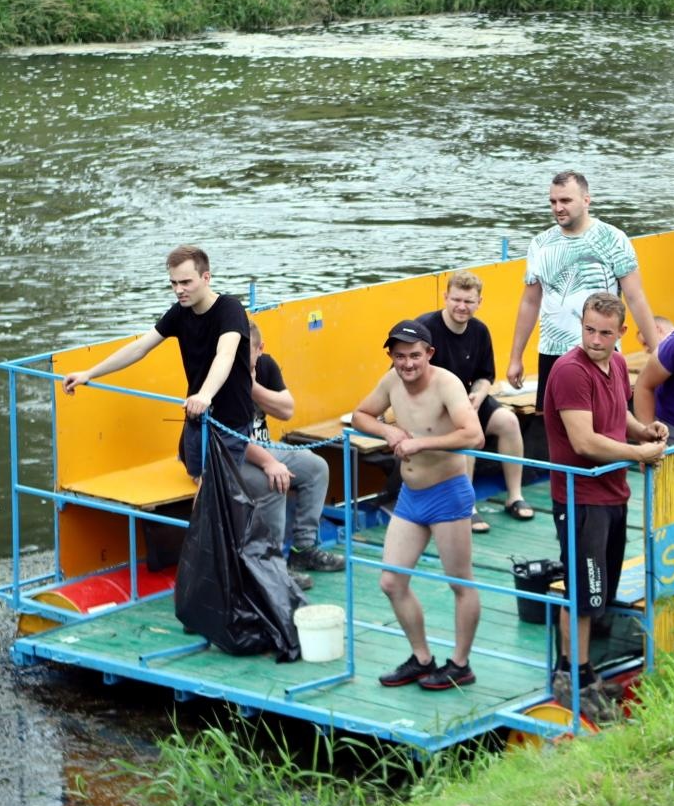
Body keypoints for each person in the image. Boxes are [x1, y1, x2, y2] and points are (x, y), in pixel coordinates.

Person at [61, 245, 293, 565]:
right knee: (203, 482)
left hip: (227, 424)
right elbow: (140, 347)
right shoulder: (179, 313)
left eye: (185, 282)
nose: (179, 290)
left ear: (205, 277)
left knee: (210, 497)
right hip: (196, 423)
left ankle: (212, 567)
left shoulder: (230, 310)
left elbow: (224, 356)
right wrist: (89, 372)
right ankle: (216, 558)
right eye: (173, 283)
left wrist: (206, 394)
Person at [542, 292, 668, 690]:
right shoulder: (569, 371)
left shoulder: (614, 362)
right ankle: (574, 675)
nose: (595, 340)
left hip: (613, 492)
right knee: (583, 591)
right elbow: (585, 442)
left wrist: (644, 430)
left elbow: (619, 415)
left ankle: (575, 668)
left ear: (622, 334)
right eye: (589, 330)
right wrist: (640, 453)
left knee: (598, 591)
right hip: (581, 497)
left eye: (605, 333)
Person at [352, 320, 486, 691]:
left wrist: (419, 445)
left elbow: (473, 435)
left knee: (460, 582)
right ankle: (421, 658)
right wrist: (388, 430)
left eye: (414, 356)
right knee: (392, 581)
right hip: (412, 497)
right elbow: (361, 414)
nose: (407, 364)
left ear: (429, 354)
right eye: (399, 357)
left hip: (448, 493)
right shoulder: (391, 380)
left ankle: (460, 664)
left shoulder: (447, 384)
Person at [505, 171, 661, 410]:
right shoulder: (540, 244)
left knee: (606, 423)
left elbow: (635, 297)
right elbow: (530, 302)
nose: (558, 208)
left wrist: (657, 354)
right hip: (553, 353)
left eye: (565, 200)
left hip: (601, 350)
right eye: (553, 201)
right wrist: (516, 358)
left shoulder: (613, 239)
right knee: (555, 430)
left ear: (586, 200)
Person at [416, 270, 534, 534]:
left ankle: (514, 495)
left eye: (469, 301)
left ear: (479, 302)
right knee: (468, 432)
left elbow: (484, 376)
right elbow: (405, 373)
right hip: (432, 405)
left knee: (508, 421)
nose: (462, 306)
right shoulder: (426, 329)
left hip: (468, 400)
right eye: (456, 299)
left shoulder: (480, 331)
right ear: (445, 297)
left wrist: (479, 395)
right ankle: (466, 506)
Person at [247, 318, 345, 572]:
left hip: (262, 445)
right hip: (222, 454)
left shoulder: (265, 366)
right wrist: (270, 463)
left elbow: (287, 410)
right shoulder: (219, 373)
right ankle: (273, 564)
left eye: (245, 351)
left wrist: (252, 387)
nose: (236, 357)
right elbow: (227, 439)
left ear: (260, 349)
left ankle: (303, 549)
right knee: (274, 482)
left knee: (316, 468)